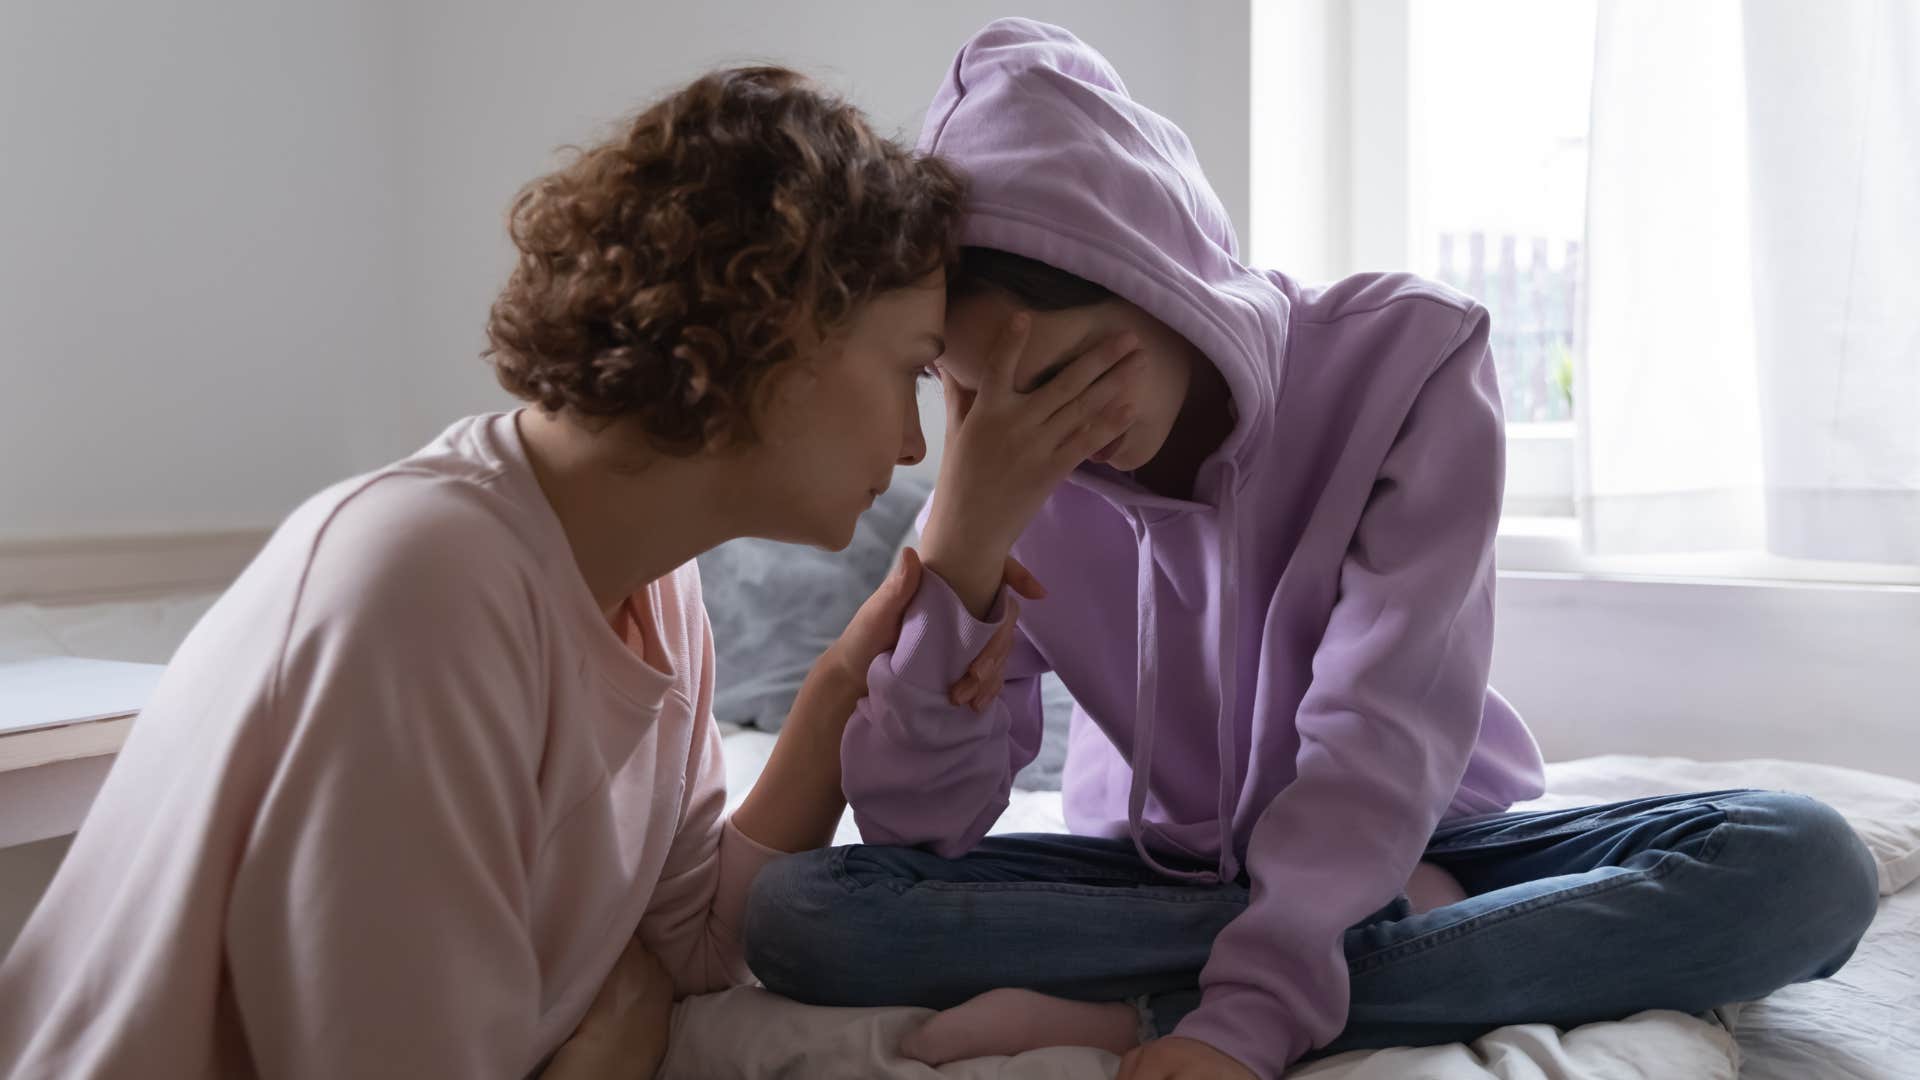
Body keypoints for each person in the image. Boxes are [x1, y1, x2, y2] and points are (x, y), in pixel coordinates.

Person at [742, 21, 1881, 1080]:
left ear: (1165, 285)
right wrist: (960, 557)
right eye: (977, 393)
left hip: (1428, 834)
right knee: (802, 916)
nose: (1047, 433)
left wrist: (1240, 1024)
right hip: (1156, 874)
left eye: (1073, 375)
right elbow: (919, 831)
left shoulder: (1409, 364)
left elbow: (1374, 738)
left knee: (1802, 864)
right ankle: (1378, 950)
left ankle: (1145, 1000)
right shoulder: (1005, 474)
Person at [0, 65, 1085, 1079]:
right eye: (910, 373)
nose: (910, 443)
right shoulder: (424, 585)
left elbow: (701, 939)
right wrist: (613, 1040)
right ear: (779, 335)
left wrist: (847, 681)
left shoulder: (653, 588)